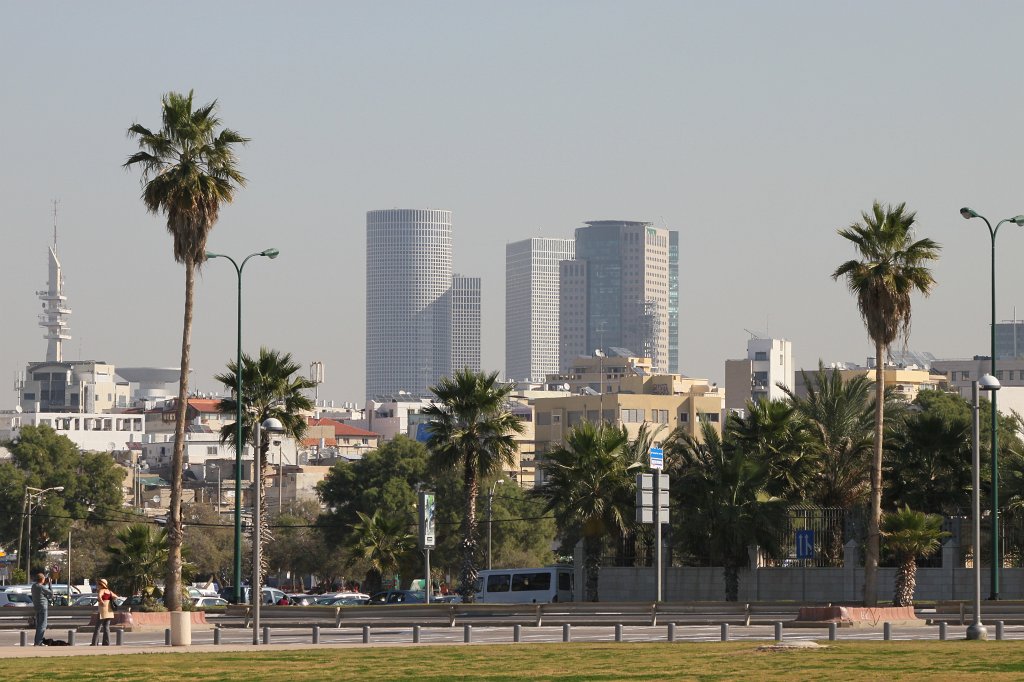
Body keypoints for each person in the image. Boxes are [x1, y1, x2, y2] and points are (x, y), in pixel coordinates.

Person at [91, 578, 120, 646]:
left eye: (99, 584)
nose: (98, 585)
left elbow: (99, 596)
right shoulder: (109, 591)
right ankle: (106, 643)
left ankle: (94, 643)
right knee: (106, 627)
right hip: (109, 611)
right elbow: (116, 596)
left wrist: (102, 601)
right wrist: (109, 601)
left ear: (102, 585)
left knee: (97, 627)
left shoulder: (102, 590)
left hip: (102, 611)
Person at [31, 573, 53, 646]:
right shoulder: (41, 587)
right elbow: (51, 594)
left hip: (37, 607)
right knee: (43, 625)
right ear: (42, 579)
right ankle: (38, 642)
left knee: (39, 625)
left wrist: (45, 584)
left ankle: (37, 641)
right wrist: (50, 584)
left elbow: (41, 590)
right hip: (43, 607)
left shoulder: (33, 586)